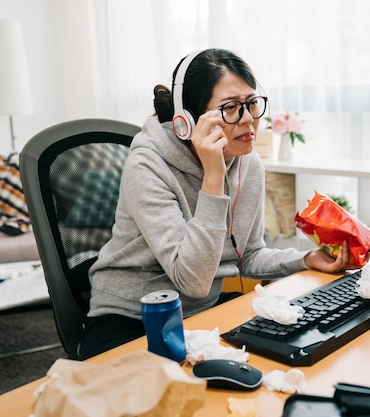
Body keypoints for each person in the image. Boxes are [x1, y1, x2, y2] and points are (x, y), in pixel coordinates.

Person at [78, 48, 354, 360]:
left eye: (251, 104)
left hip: (201, 314)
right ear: (188, 121)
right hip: (131, 318)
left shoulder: (247, 163)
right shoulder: (147, 166)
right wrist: (213, 178)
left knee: (297, 348)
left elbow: (248, 255)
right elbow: (193, 281)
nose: (248, 120)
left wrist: (305, 259)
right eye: (231, 108)